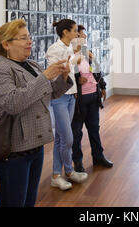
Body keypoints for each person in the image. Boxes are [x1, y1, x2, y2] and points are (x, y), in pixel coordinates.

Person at [0, 19, 73, 207]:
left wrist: (63, 78)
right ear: (6, 44)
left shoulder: (32, 64)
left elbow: (51, 93)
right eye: (23, 38)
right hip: (13, 150)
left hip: (35, 145)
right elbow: (13, 102)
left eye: (29, 37)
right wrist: (45, 76)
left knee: (29, 201)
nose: (29, 41)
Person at [46, 19, 88, 191]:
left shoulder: (70, 48)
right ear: (65, 32)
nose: (77, 34)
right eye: (74, 30)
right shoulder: (54, 49)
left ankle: (58, 175)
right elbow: (56, 71)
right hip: (59, 97)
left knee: (61, 139)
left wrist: (76, 57)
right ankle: (69, 170)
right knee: (68, 139)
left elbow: (74, 68)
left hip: (71, 95)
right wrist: (73, 58)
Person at [71, 25, 112, 172]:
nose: (85, 37)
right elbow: (65, 78)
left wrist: (102, 86)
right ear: (75, 37)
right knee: (76, 133)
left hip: (93, 97)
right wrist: (76, 81)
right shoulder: (69, 55)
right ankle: (78, 162)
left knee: (94, 129)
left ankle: (98, 157)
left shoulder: (86, 52)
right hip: (78, 101)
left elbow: (96, 71)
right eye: (82, 35)